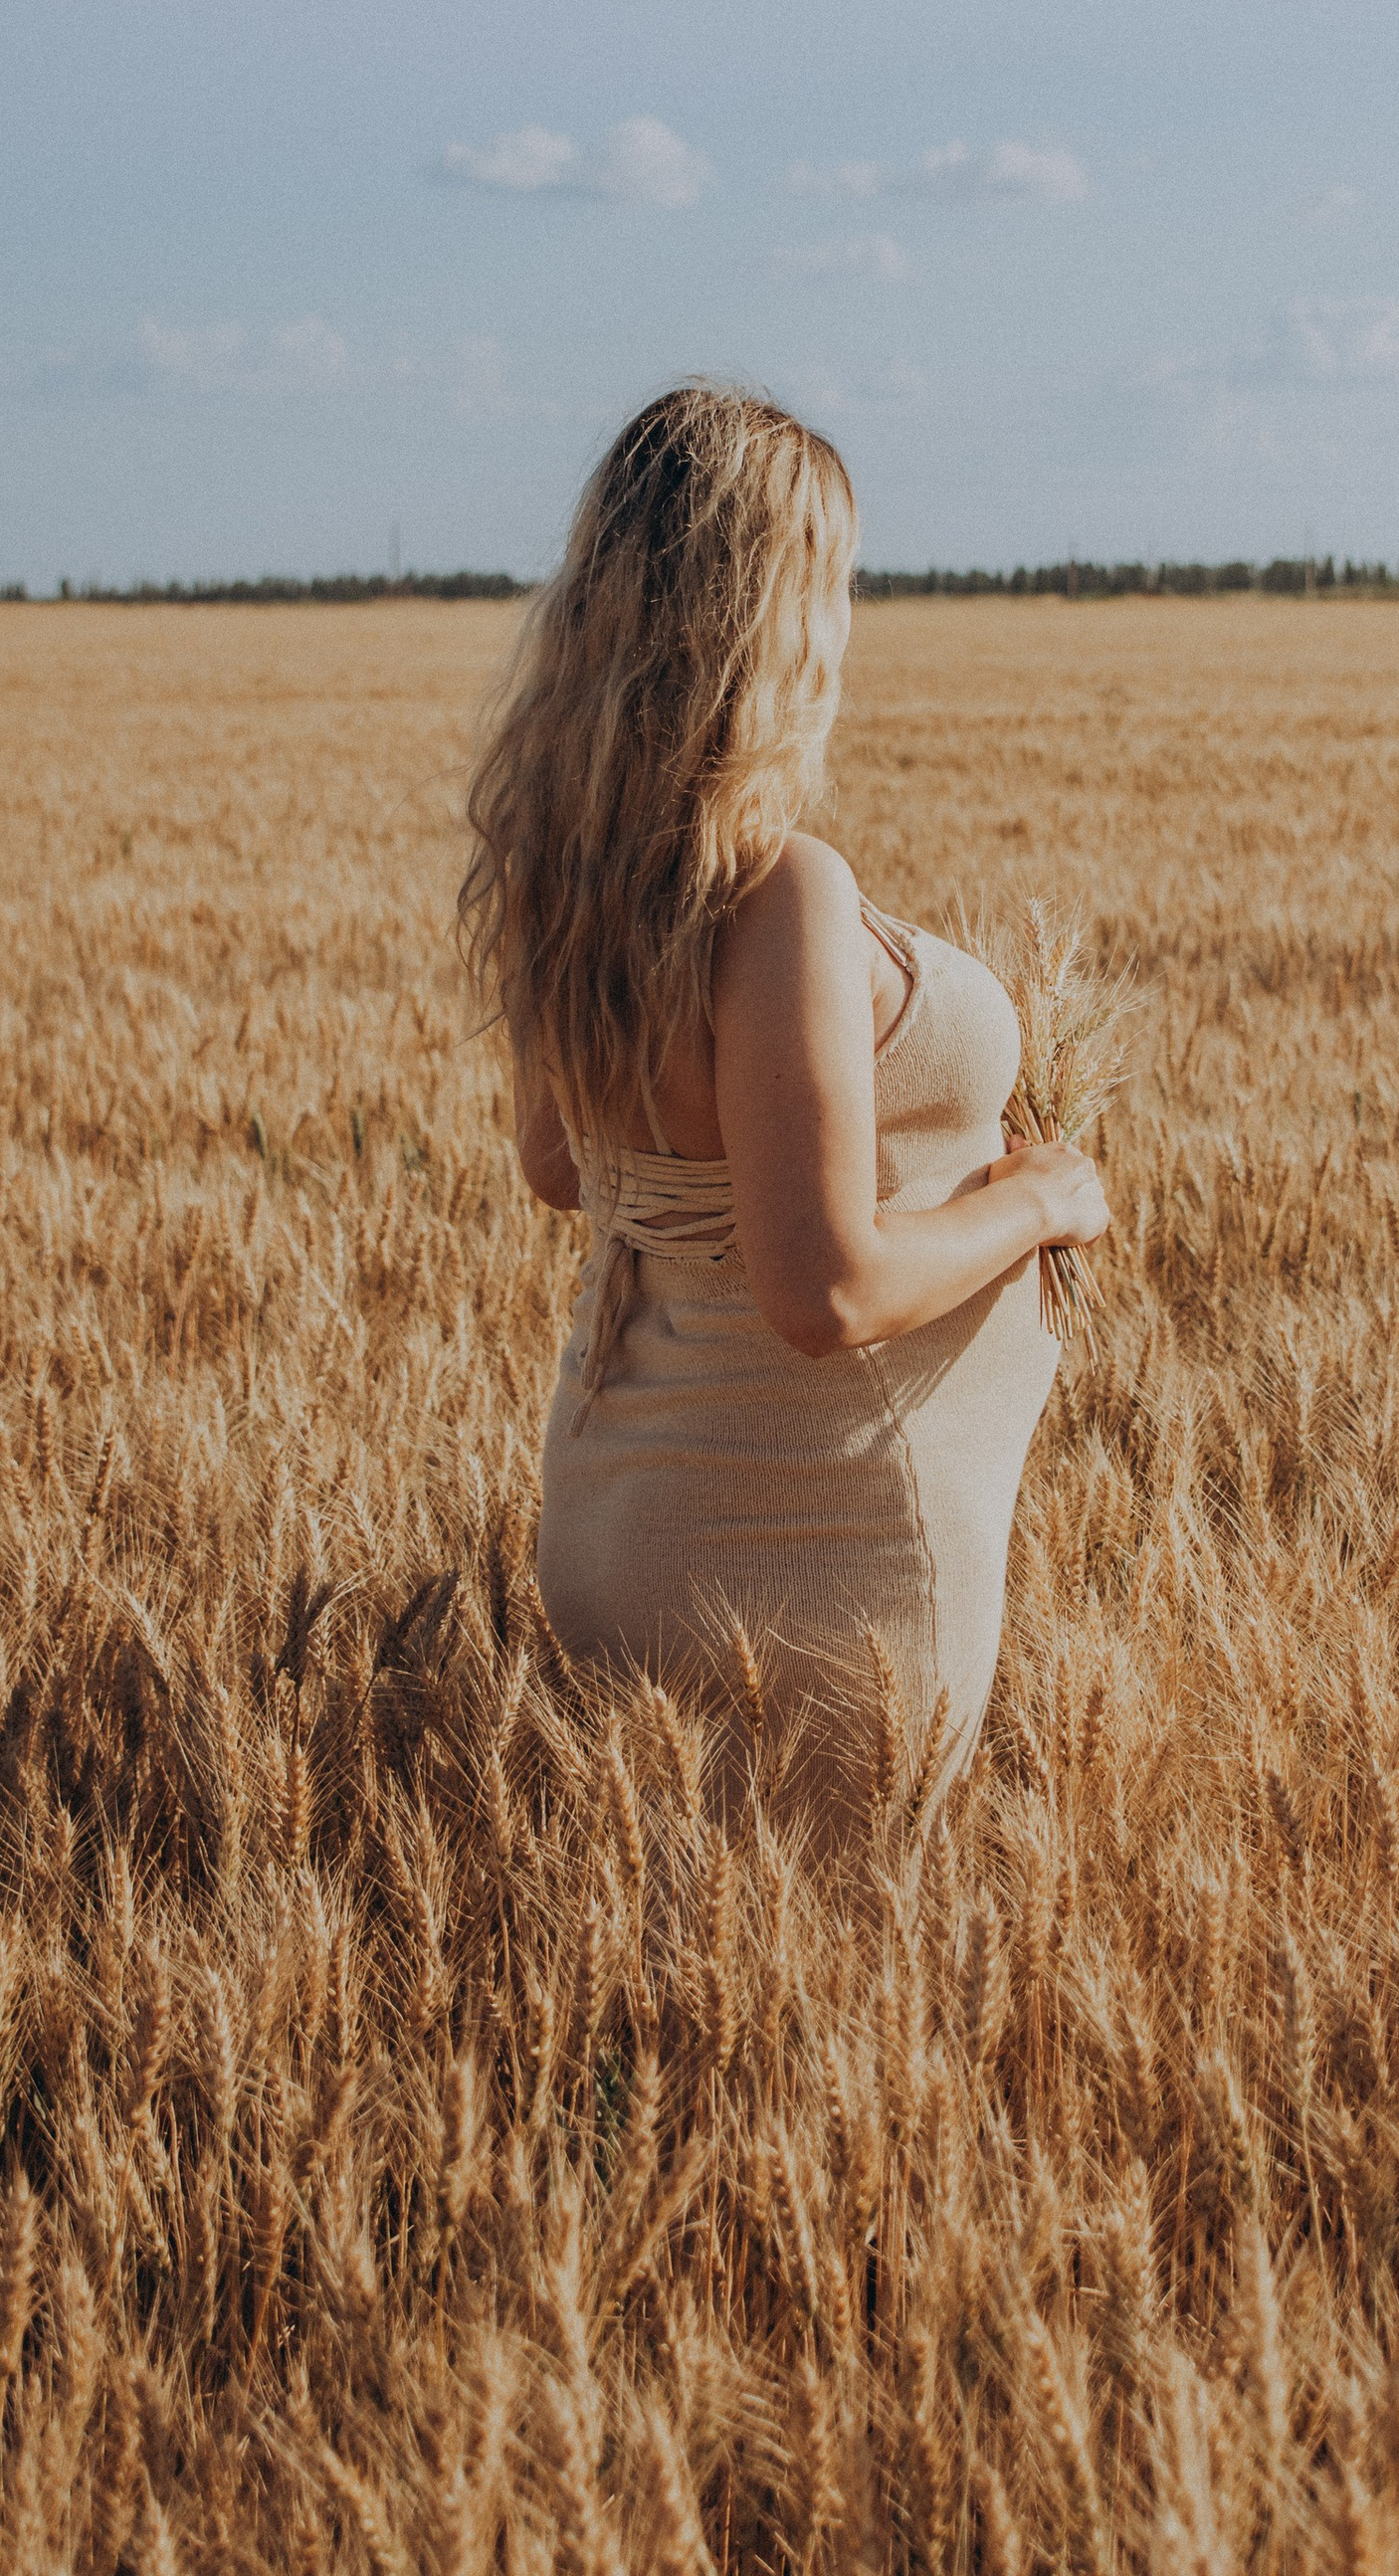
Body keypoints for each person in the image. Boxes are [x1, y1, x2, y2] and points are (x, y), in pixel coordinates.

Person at [461, 381, 1108, 1835]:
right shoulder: (781, 894)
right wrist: (1040, 1200)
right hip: (814, 1560)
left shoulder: (562, 862)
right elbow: (821, 1292)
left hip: (613, 1515)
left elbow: (563, 1165)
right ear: (780, 616)